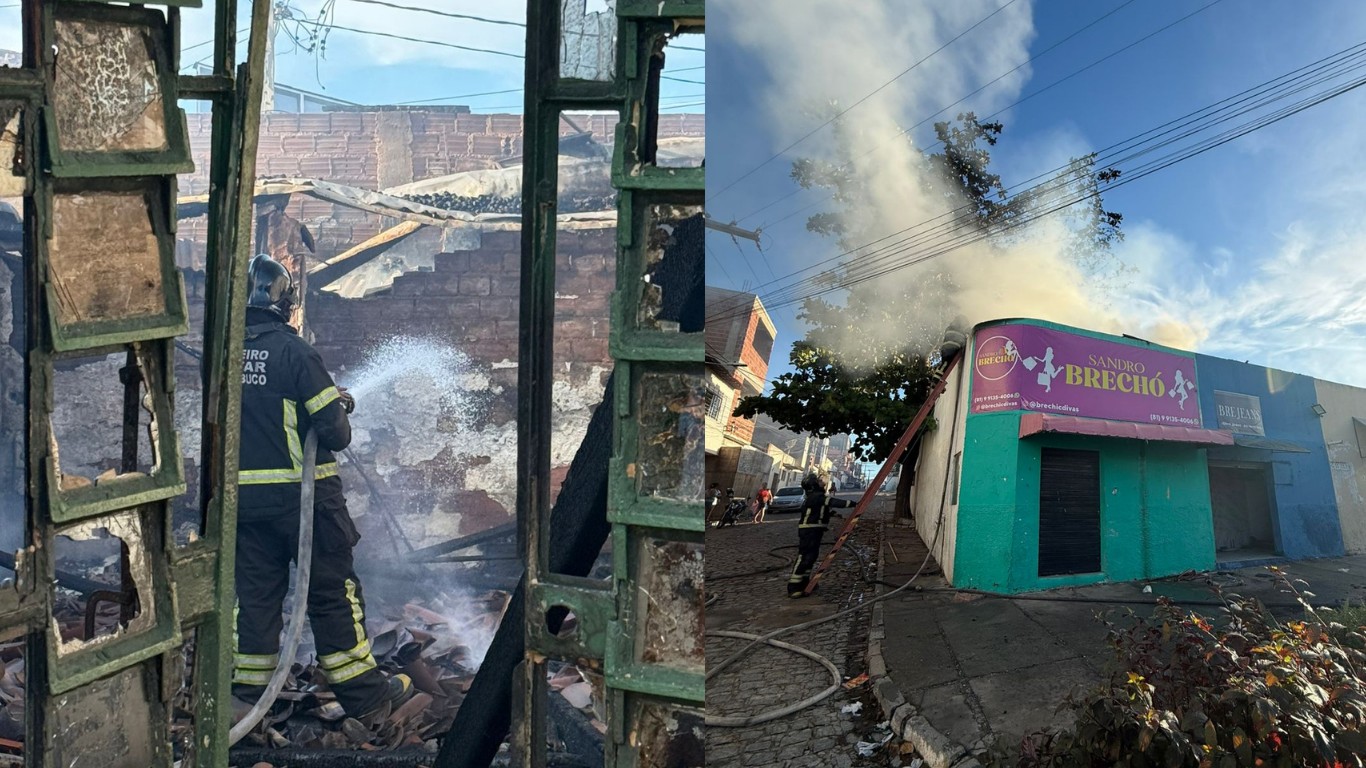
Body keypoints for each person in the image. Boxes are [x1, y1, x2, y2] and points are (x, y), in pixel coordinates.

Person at [233, 254, 412, 723]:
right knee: (332, 593)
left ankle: (244, 704)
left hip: (244, 505)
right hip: (304, 502)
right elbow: (334, 433)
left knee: (254, 600)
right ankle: (368, 699)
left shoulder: (224, 354)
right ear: (285, 303)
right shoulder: (296, 353)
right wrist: (338, 404)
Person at [787, 469, 855, 598]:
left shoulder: (814, 497)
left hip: (814, 529)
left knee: (811, 557)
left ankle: (805, 582)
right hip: (810, 530)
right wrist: (853, 504)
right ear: (813, 485)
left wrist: (832, 514)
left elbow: (822, 510)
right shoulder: (817, 497)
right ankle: (794, 586)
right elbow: (833, 502)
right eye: (818, 481)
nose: (821, 482)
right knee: (805, 557)